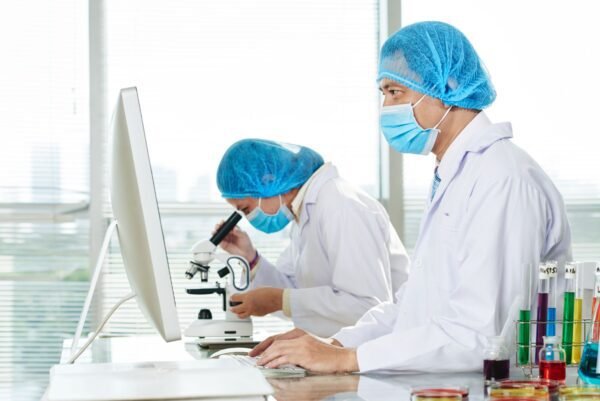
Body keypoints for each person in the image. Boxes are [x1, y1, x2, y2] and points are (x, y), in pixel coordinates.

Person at [249, 21, 572, 373]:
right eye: (382, 94)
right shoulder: (454, 174)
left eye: (395, 92)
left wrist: (348, 359)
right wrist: (336, 344)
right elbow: (414, 305)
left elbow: (481, 333)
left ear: (447, 86)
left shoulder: (502, 178)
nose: (385, 108)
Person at [215, 138, 410, 337]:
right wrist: (250, 258)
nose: (249, 218)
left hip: (381, 352)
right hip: (343, 351)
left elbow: (367, 306)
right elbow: (296, 291)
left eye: (246, 209)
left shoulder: (341, 206)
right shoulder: (303, 213)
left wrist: (280, 299)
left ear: (268, 181)